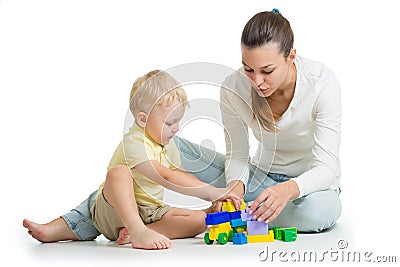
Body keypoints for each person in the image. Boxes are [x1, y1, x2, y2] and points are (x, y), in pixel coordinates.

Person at [23, 9, 342, 243]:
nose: (256, 81)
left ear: (292, 57)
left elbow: (326, 166)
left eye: (267, 71)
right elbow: (239, 155)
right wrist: (234, 188)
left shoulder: (321, 83)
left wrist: (287, 190)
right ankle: (95, 216)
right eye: (248, 69)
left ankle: (229, 216)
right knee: (156, 148)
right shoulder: (235, 86)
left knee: (316, 214)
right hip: (257, 179)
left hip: (307, 188)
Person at [24, 70, 241, 249]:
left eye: (178, 122)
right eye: (169, 123)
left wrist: (209, 202)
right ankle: (135, 231)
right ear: (143, 119)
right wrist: (215, 191)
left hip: (151, 212)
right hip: (116, 209)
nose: (176, 129)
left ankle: (139, 232)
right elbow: (165, 175)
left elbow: (180, 173)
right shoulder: (135, 141)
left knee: (199, 221)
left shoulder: (168, 144)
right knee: (117, 174)